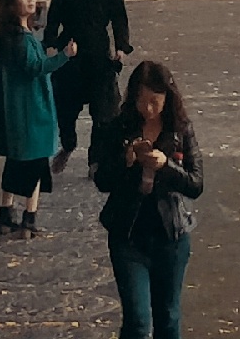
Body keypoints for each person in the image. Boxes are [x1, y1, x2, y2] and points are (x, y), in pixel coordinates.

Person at [91, 60, 204, 339]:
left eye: (155, 101)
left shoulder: (180, 130)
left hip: (170, 235)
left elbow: (195, 183)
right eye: (143, 101)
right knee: (138, 321)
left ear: (168, 97)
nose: (149, 109)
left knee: (168, 316)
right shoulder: (120, 127)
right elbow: (102, 179)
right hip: (128, 234)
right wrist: (125, 161)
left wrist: (166, 165)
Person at [0, 0, 68, 238]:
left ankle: (5, 214)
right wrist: (65, 55)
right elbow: (37, 67)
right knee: (36, 169)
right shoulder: (22, 41)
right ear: (12, 6)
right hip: (33, 114)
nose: (30, 0)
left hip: (14, 114)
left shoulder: (3, 38)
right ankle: (29, 220)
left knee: (13, 168)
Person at [44, 0, 133, 149]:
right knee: (64, 106)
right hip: (69, 51)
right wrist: (50, 45)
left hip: (99, 52)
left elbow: (119, 17)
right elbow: (54, 16)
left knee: (104, 112)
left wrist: (121, 46)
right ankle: (68, 142)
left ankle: (96, 159)